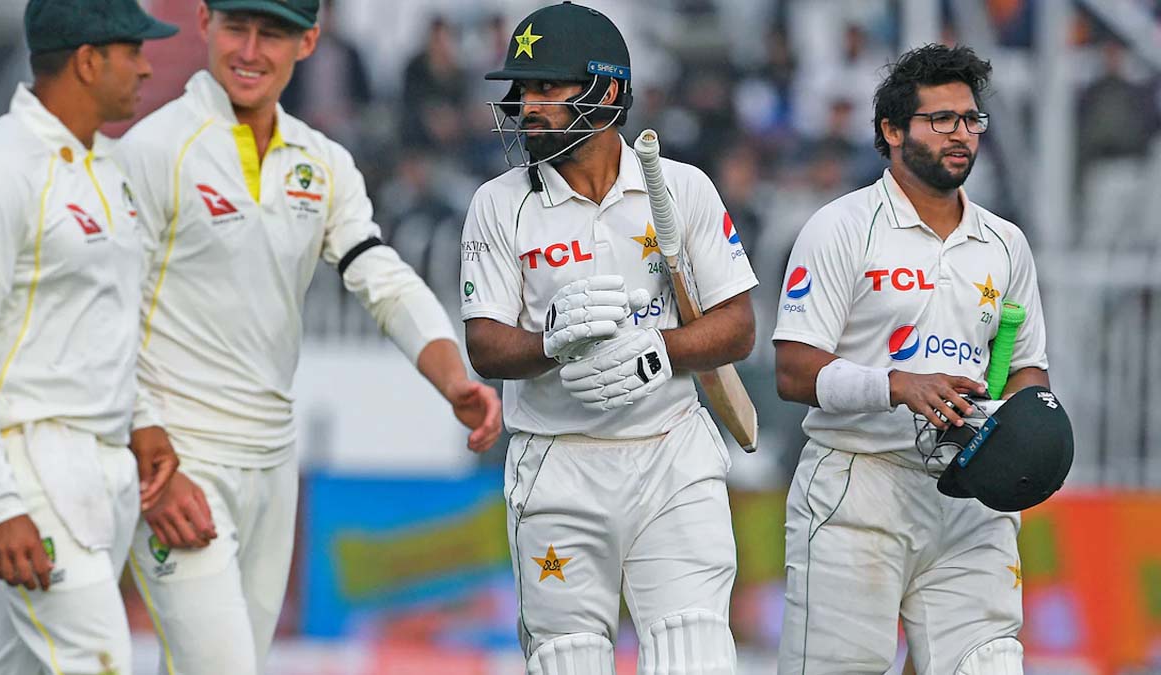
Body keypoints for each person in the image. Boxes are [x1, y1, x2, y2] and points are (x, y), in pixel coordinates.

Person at [113, 1, 502, 672]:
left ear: (310, 40)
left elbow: (379, 273)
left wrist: (452, 374)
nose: (250, 51)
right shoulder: (152, 151)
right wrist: (148, 442)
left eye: (274, 34)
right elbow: (105, 308)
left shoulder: (319, 161)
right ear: (204, 22)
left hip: (272, 462)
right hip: (181, 457)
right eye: (237, 27)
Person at [460, 3, 758, 672]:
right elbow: (485, 345)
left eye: (546, 88)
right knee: (567, 659)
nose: (526, 106)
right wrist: (550, 342)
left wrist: (660, 351)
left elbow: (737, 326)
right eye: (522, 90)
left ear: (608, 92)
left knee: (695, 654)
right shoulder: (499, 203)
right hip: (557, 465)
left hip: (671, 457)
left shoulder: (682, 188)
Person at [772, 44, 1049, 674]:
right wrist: (898, 386)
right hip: (856, 486)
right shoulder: (840, 227)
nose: (960, 134)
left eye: (970, 120)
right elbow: (794, 368)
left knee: (988, 666)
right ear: (892, 131)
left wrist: (1024, 427)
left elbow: (1030, 367)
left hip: (968, 496)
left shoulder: (1006, 244)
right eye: (940, 120)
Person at [0, 1, 179, 672]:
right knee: (101, 661)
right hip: (28, 463)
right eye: (133, 51)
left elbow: (112, 319)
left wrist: (145, 418)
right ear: (88, 60)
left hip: (104, 466)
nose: (148, 67)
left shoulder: (110, 169)